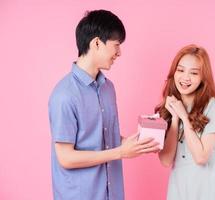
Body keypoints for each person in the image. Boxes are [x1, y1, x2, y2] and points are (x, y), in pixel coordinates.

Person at [48, 10, 159, 200]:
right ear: (97, 43)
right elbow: (66, 158)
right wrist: (120, 152)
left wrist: (138, 143)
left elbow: (105, 138)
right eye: (116, 45)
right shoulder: (64, 95)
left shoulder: (108, 88)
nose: (119, 53)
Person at [155, 44, 215, 200]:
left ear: (203, 77)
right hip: (179, 188)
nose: (185, 78)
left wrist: (184, 117)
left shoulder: (213, 106)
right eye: (180, 70)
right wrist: (175, 119)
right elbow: (165, 160)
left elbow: (201, 157)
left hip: (208, 188)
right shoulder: (169, 108)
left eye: (194, 73)